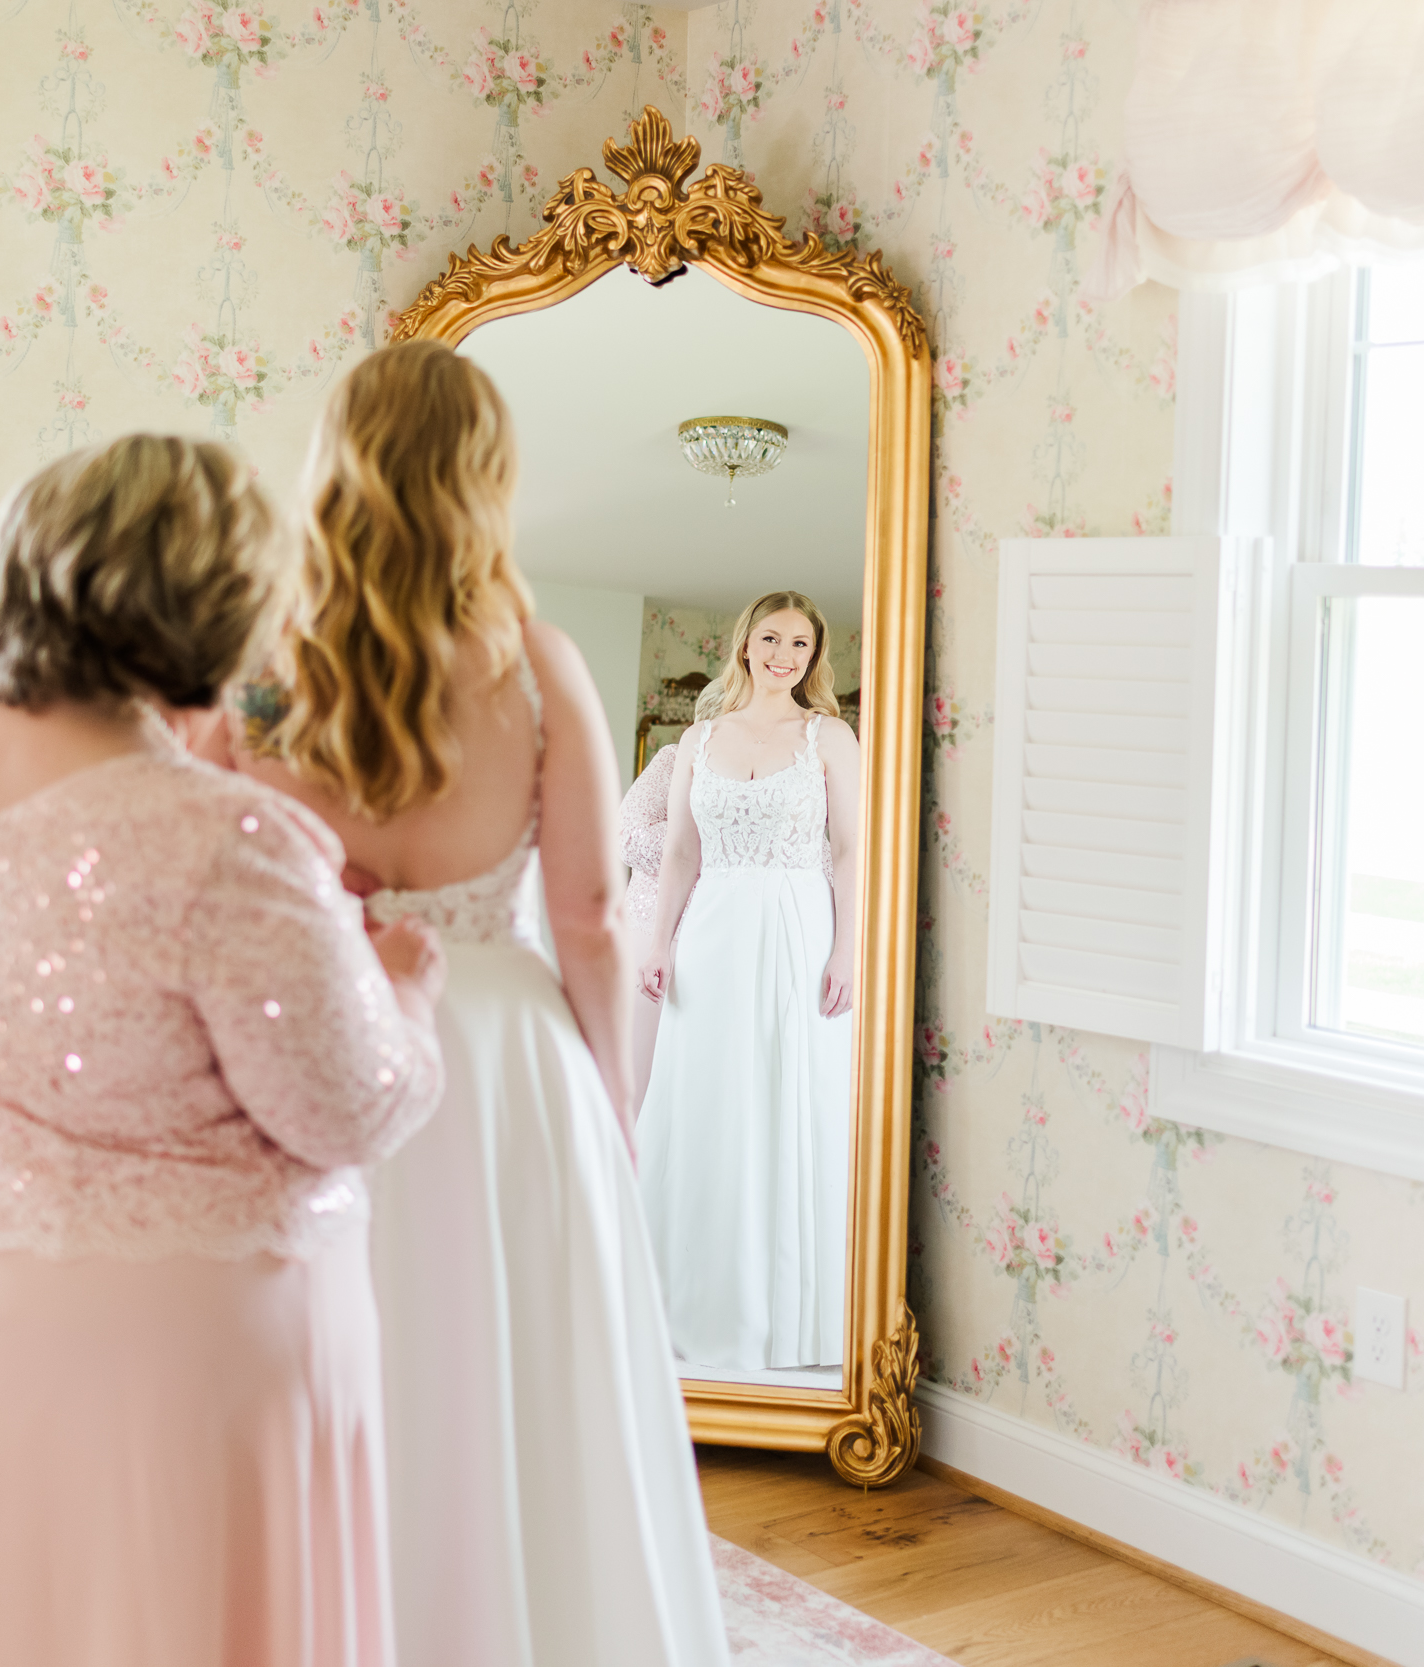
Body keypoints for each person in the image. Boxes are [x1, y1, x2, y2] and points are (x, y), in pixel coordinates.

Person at [0, 435, 447, 1667]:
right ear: (217, 613)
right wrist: (404, 992)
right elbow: (347, 1105)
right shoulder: (228, 838)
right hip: (123, 1354)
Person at [237, 341, 730, 1667]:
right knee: (534, 1382)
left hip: (341, 1033)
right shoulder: (530, 661)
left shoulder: (273, 676)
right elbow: (588, 912)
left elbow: (255, 874)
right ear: (482, 480)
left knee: (362, 1361)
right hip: (509, 1056)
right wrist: (615, 1106)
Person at [636, 591, 859, 1373]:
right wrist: (658, 941)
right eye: (771, 638)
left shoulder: (830, 736)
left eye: (800, 643)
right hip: (713, 933)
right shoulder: (699, 739)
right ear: (744, 645)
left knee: (790, 1103)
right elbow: (679, 857)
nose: (783, 655)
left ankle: (790, 1319)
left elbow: (848, 853)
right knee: (708, 1105)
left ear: (813, 656)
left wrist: (847, 950)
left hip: (801, 931)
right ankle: (692, 1306)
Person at [619, 742, 681, 1121]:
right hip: (650, 936)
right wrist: (719, 841)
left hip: (721, 939)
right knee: (639, 1068)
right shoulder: (674, 758)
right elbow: (629, 836)